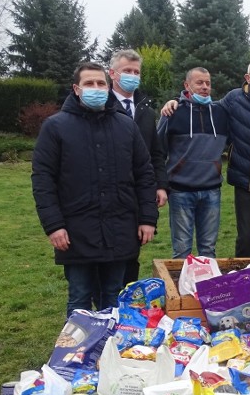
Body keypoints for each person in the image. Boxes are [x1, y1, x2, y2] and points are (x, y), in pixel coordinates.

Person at [32, 62, 159, 316]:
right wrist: (54, 225)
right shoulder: (55, 127)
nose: (96, 88)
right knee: (79, 297)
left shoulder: (125, 126)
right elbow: (43, 179)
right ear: (76, 89)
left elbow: (144, 174)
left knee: (113, 295)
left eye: (101, 83)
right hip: (76, 231)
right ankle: (78, 352)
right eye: (89, 84)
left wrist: (147, 218)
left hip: (120, 227)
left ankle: (109, 352)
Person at [161, 60, 250, 258]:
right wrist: (177, 101)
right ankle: (242, 280)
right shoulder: (234, 99)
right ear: (247, 78)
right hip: (245, 182)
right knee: (245, 239)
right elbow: (204, 106)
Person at [108, 49, 168, 285]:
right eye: (127, 71)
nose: (132, 75)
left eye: (136, 72)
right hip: (109, 189)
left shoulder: (145, 110)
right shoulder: (103, 106)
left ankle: (126, 298)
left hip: (138, 191)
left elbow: (156, 152)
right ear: (113, 74)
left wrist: (161, 185)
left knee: (133, 250)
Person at [157, 67, 229, 258]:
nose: (205, 87)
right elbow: (157, 151)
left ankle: (206, 288)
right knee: (181, 251)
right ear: (186, 85)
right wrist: (160, 185)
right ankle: (181, 288)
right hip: (181, 191)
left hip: (212, 190)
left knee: (208, 250)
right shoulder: (172, 112)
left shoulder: (221, 113)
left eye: (208, 83)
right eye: (199, 83)